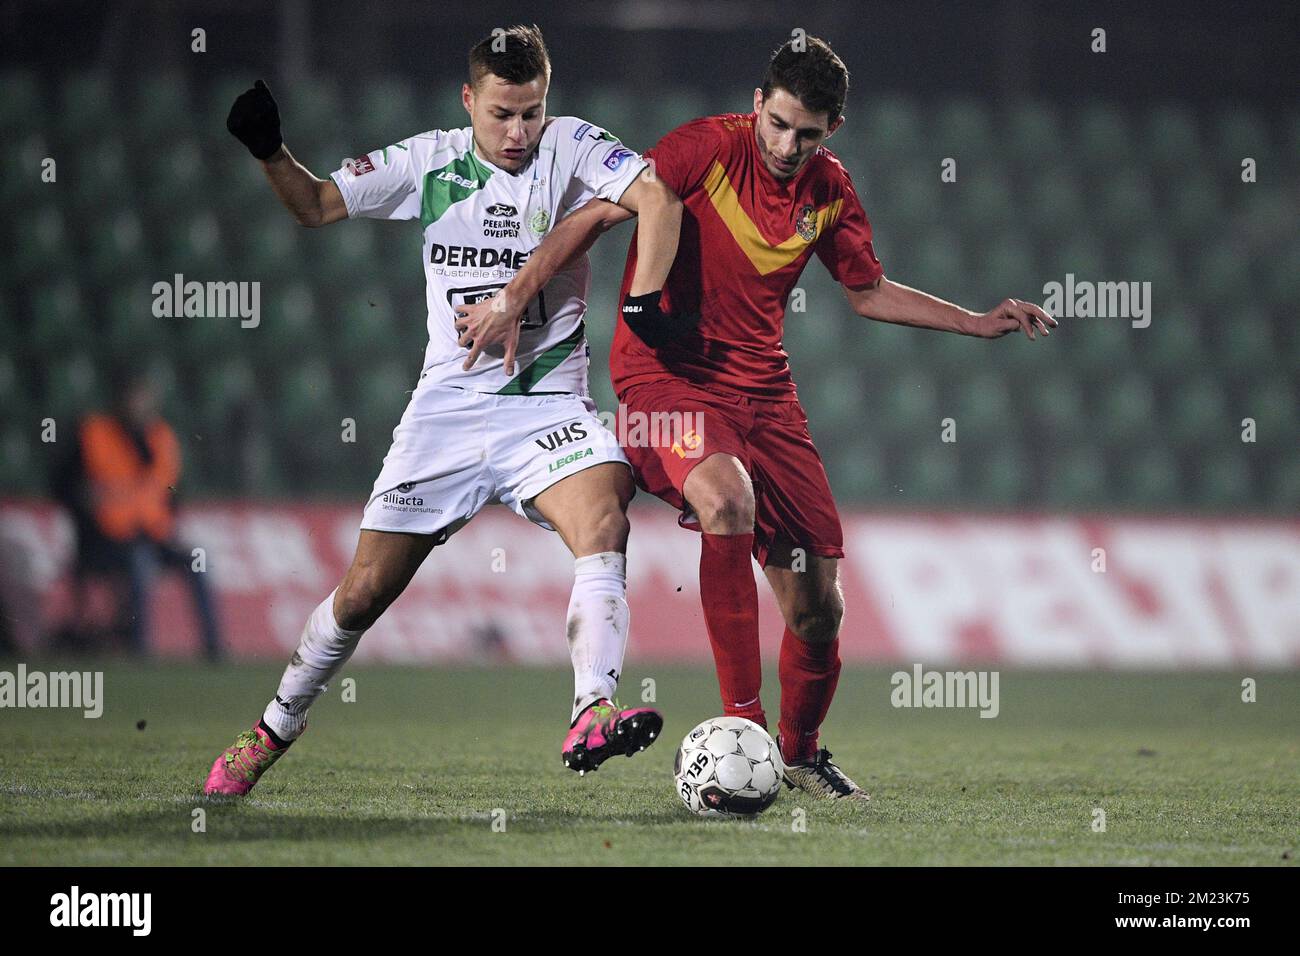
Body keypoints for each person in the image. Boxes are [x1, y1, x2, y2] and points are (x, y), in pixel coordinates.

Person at [475, 35, 1057, 800]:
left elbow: (868, 289)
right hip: (665, 380)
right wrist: (517, 295)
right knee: (726, 497)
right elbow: (592, 217)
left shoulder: (829, 191)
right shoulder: (701, 150)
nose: (786, 145)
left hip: (767, 400)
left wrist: (977, 321)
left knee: (818, 609)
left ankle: (800, 750)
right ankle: (740, 726)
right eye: (777, 123)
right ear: (758, 104)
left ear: (831, 131)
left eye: (806, 133)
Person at [204, 24, 683, 795]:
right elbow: (318, 205)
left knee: (605, 520)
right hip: (447, 409)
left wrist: (646, 302)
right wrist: (269, 153)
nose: (520, 131)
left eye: (531, 111)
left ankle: (592, 707)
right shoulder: (427, 160)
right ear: (469, 102)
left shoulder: (575, 145)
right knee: (362, 594)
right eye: (502, 113)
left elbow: (657, 198)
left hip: (546, 407)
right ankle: (271, 729)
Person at [51, 370, 222, 660]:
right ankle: (139, 650)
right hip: (105, 539)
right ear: (119, 401)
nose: (139, 406)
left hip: (153, 534)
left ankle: (214, 649)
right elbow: (62, 486)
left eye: (145, 399)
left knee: (197, 561)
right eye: (134, 398)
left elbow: (171, 492)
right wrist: (84, 503)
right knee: (138, 562)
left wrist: (168, 526)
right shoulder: (93, 433)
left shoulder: (160, 437)